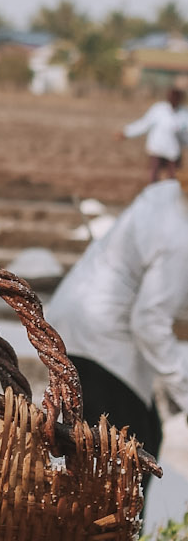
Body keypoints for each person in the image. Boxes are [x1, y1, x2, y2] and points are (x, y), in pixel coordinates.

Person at [49, 175, 188, 458]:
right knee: (128, 456)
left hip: (77, 316)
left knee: (145, 435)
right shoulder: (179, 237)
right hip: (103, 340)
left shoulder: (167, 194)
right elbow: (149, 323)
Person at [122, 86, 188, 185]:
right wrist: (126, 133)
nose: (173, 100)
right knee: (154, 175)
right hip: (157, 149)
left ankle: (171, 196)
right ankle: (153, 195)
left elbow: (185, 135)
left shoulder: (184, 114)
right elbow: (144, 124)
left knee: (173, 177)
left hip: (173, 151)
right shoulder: (159, 110)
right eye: (172, 97)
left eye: (176, 97)